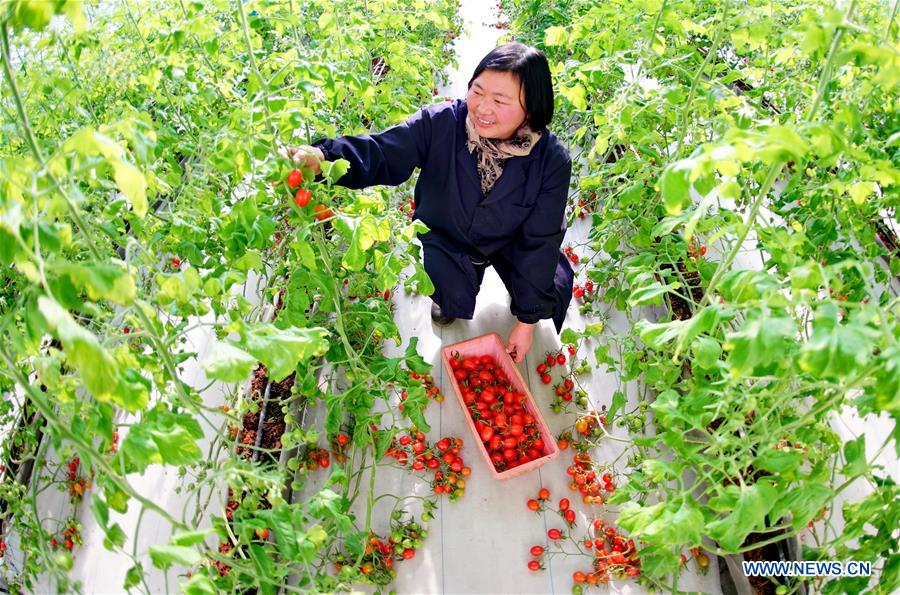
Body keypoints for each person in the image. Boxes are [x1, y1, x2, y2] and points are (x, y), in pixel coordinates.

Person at [281, 42, 574, 363]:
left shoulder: (551, 161)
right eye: (477, 91)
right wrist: (324, 156)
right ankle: (452, 291)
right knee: (448, 291)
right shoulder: (442, 123)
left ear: (530, 109)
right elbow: (382, 151)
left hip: (513, 241)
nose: (482, 108)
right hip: (450, 235)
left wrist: (528, 321)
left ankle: (524, 302)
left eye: (500, 100)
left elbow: (539, 240)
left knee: (549, 285)